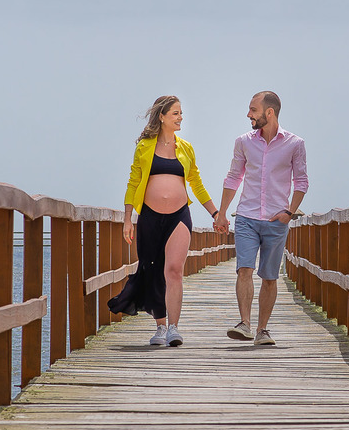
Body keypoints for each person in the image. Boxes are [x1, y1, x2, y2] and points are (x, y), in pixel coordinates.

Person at [108, 95, 219, 347]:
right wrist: (127, 219)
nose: (180, 118)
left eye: (181, 113)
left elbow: (197, 184)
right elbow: (133, 182)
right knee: (153, 270)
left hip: (179, 216)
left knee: (174, 271)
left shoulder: (186, 148)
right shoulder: (145, 147)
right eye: (175, 113)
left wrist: (215, 213)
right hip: (149, 215)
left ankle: (173, 328)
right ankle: (159, 326)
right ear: (162, 116)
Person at [214, 91, 308, 346]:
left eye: (253, 110)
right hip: (246, 216)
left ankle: (262, 330)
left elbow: (301, 181)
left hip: (276, 220)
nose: (248, 115)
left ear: (270, 112)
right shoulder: (243, 142)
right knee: (244, 269)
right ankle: (244, 324)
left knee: (270, 277)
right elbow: (234, 177)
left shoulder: (294, 144)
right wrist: (222, 213)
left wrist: (289, 212)